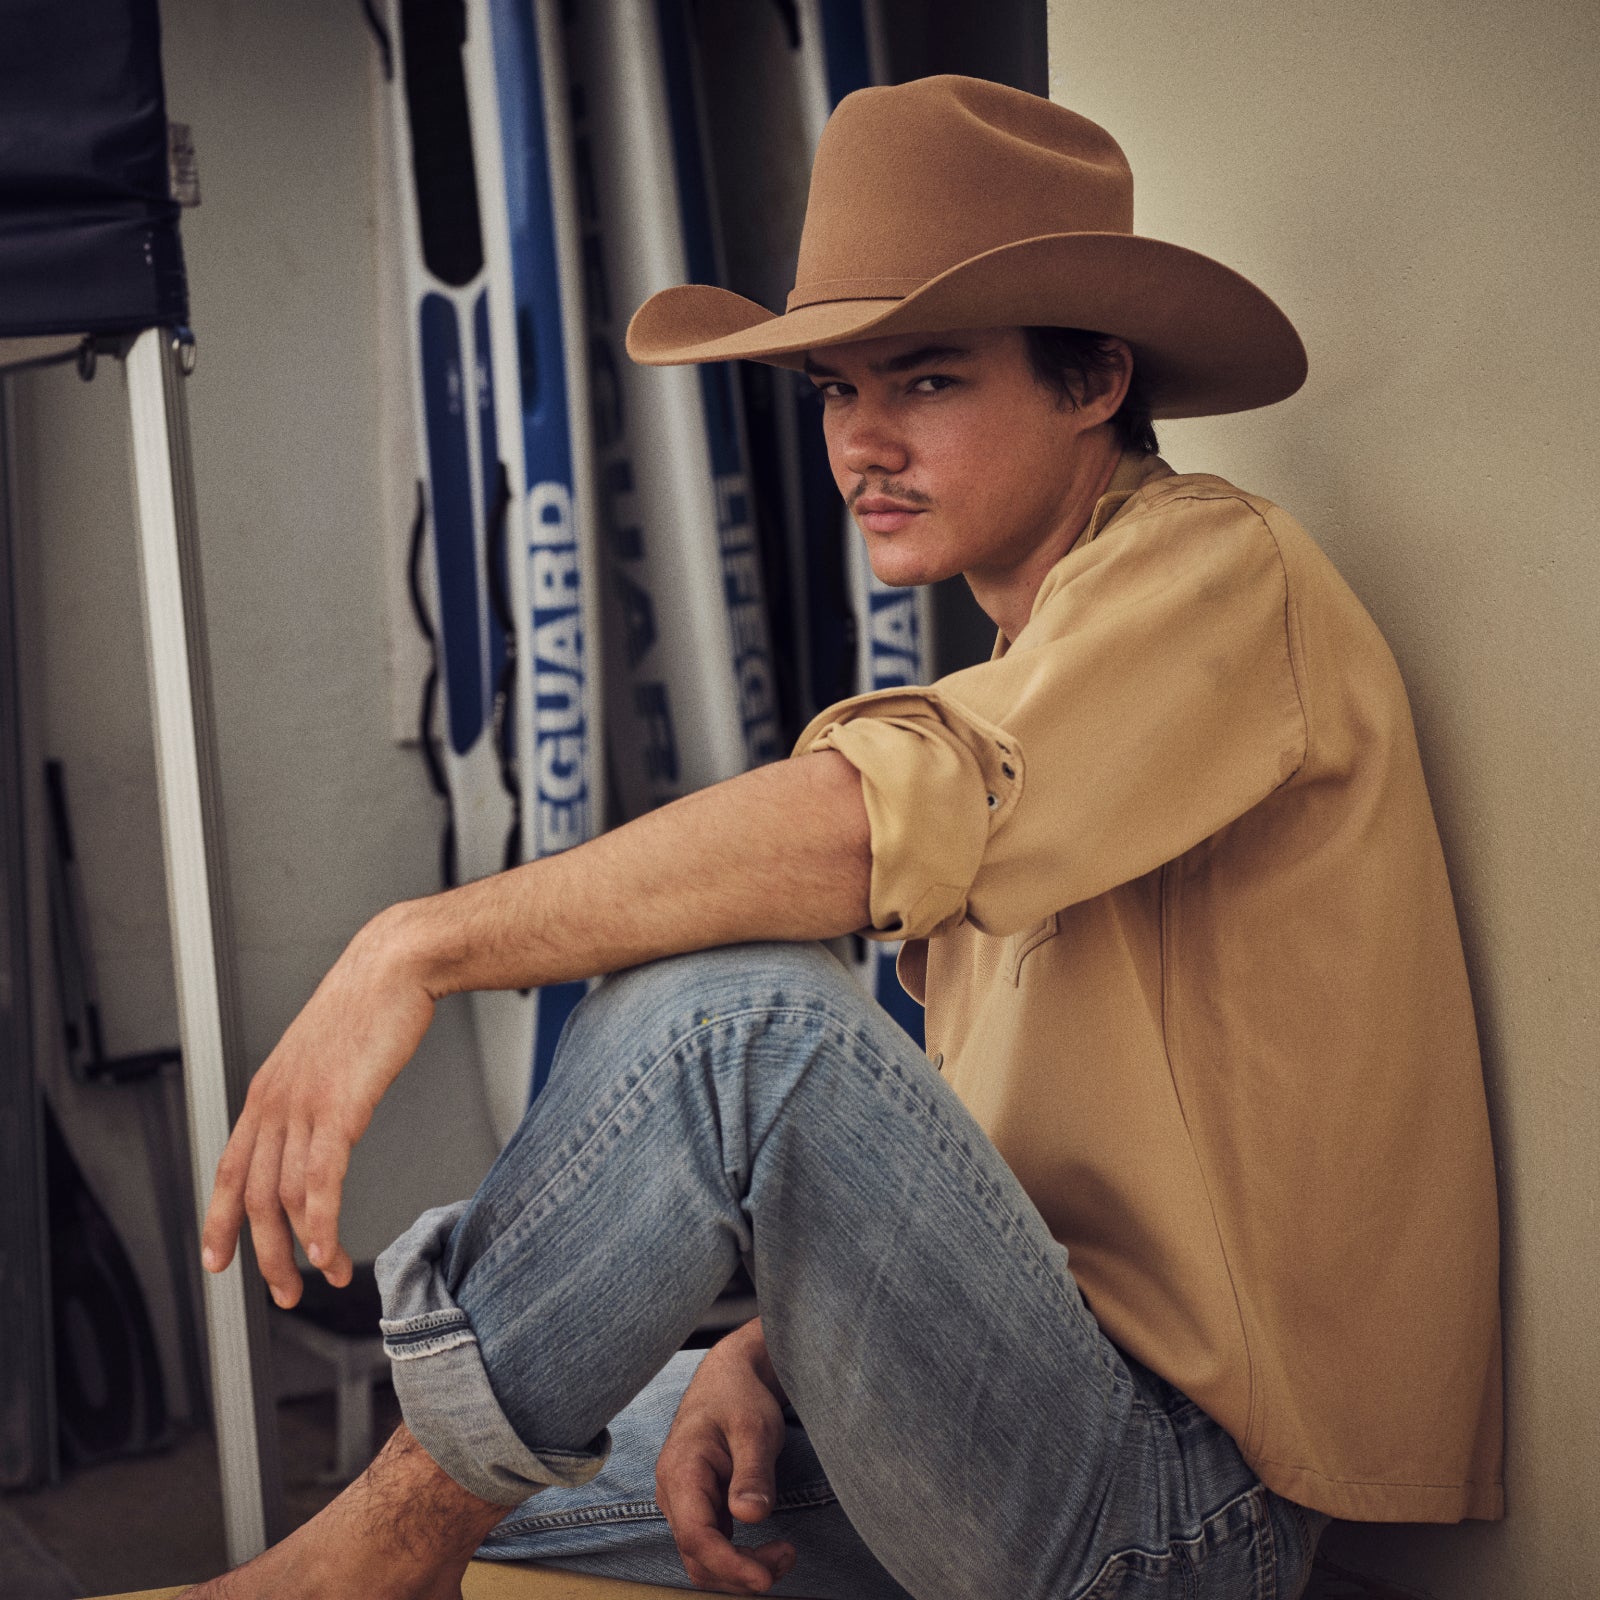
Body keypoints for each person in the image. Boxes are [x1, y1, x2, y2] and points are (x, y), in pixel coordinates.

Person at [183, 76, 1501, 1600]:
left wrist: (412, 946)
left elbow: (870, 822)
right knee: (505, 1444)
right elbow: (993, 1184)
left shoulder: (1219, 574)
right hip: (1041, 1406)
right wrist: (769, 1345)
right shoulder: (1042, 678)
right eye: (833, 391)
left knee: (741, 1017)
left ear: (1092, 385)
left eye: (925, 380)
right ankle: (361, 1550)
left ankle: (357, 1581)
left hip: (1187, 1520)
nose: (861, 440)